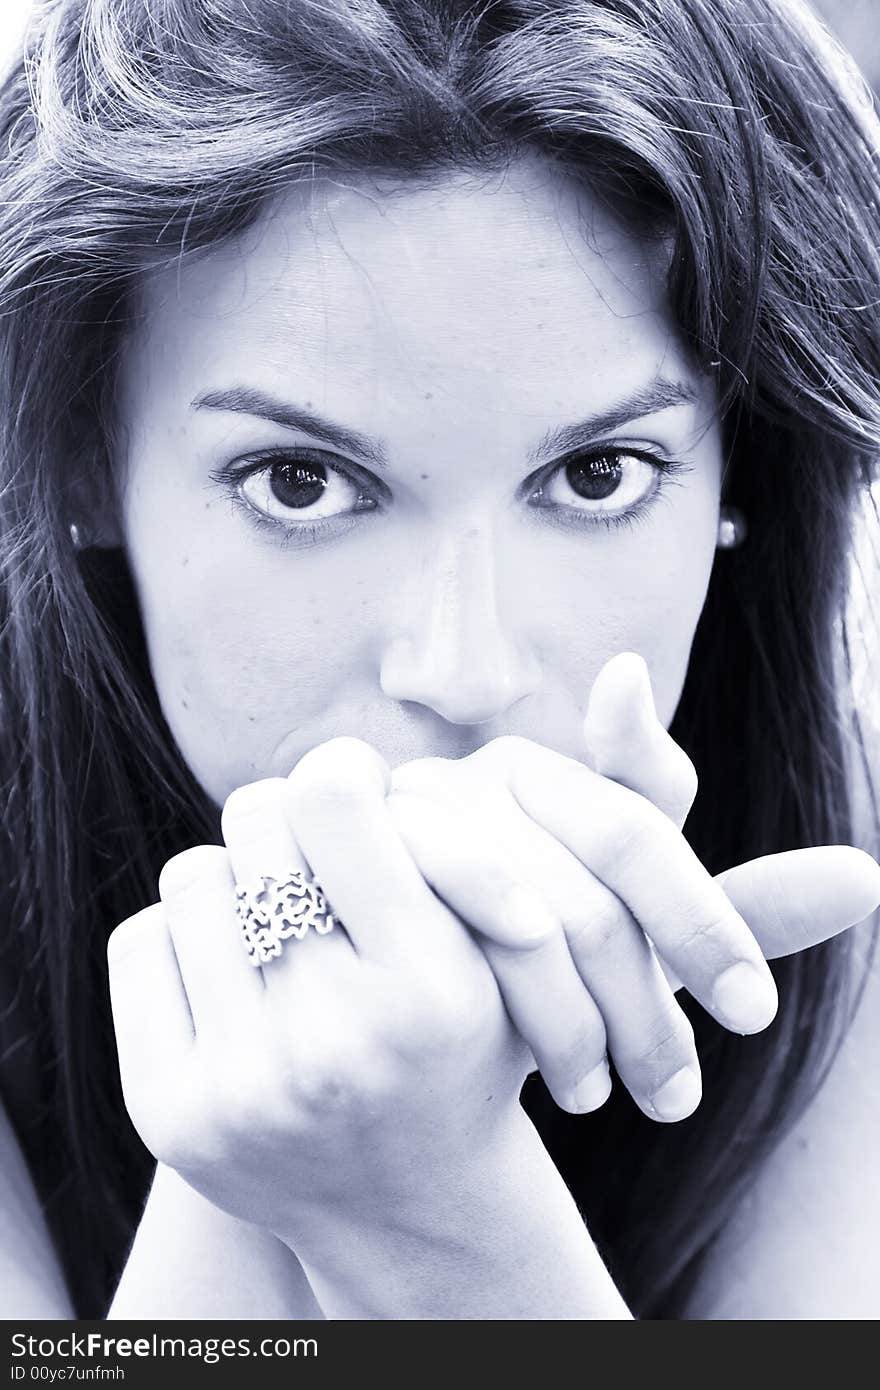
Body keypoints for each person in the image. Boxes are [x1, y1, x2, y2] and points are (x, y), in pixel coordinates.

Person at [0, 0, 878, 1321]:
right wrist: (266, 1162)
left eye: (596, 474)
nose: (462, 669)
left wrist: (441, 1205)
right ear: (84, 464)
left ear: (740, 471)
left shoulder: (832, 905)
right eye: (300, 480)